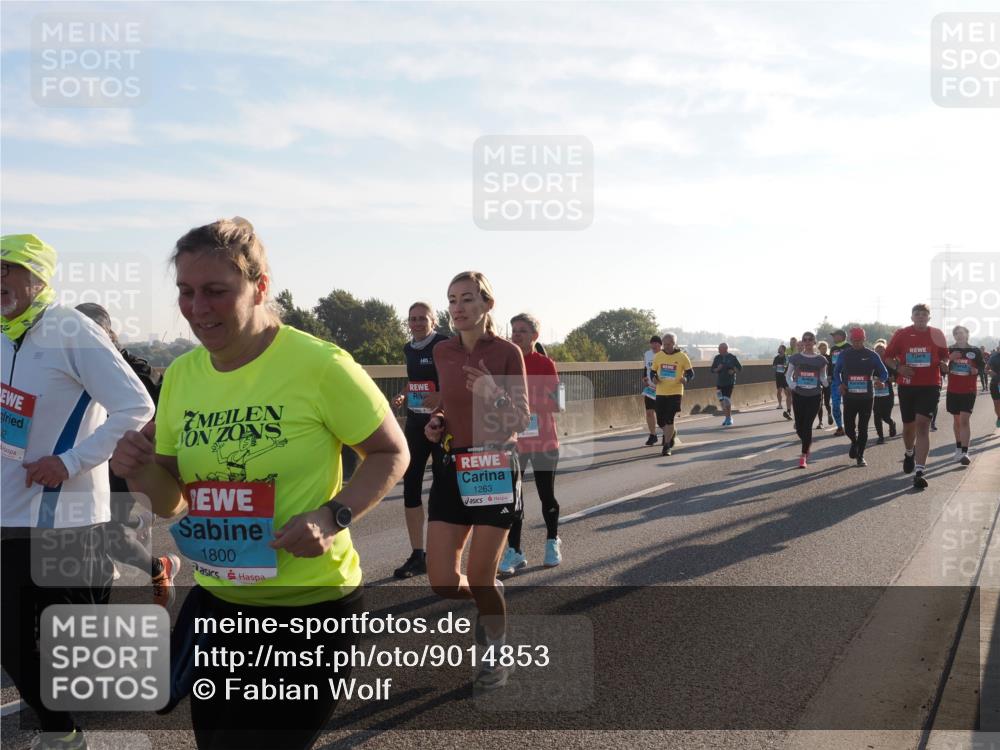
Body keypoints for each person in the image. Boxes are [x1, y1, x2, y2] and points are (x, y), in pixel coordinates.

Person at [110, 218, 408, 749]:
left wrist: (332, 515)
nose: (197, 308)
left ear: (260, 286)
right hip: (220, 604)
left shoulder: (319, 364)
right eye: (185, 291)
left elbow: (391, 451)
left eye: (216, 291)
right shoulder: (182, 375)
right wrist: (139, 468)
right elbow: (173, 498)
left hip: (310, 611)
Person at [2, 235, 155, 750]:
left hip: (63, 516)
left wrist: (68, 462)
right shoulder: (1, 335)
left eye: (8, 269)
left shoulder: (70, 327)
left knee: (70, 642)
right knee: (13, 636)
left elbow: (136, 406)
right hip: (6, 510)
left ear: (38, 279)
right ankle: (61, 733)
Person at [423, 271, 529, 690]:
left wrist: (493, 392)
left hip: (495, 467)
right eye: (452, 300)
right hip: (454, 467)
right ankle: (491, 595)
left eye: (467, 299)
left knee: (480, 575)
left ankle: (496, 652)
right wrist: (438, 421)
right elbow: (451, 406)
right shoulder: (444, 352)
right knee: (443, 582)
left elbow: (521, 418)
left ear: (487, 305)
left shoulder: (506, 353)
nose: (458, 308)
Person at [76, 302, 181, 605]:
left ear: (107, 335)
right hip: (81, 465)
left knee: (109, 538)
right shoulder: (73, 366)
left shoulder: (136, 371)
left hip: (121, 467)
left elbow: (168, 415)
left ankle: (159, 567)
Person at [390, 302, 450, 578]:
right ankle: (418, 554)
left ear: (433, 321)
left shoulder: (444, 344)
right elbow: (415, 380)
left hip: (441, 423)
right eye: (412, 318)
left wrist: (441, 397)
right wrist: (404, 394)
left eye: (422, 319)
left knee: (442, 484)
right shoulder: (408, 349)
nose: (416, 323)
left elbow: (456, 380)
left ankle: (445, 553)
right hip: (415, 422)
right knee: (410, 482)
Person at [499, 313, 562, 575]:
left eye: (522, 331)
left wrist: (527, 408)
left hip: (544, 440)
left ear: (534, 336)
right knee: (513, 498)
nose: (516, 335)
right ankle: (515, 551)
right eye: (513, 330)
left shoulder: (546, 364)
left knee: (546, 493)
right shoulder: (507, 364)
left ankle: (552, 541)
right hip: (515, 442)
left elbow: (559, 403)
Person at [883, 303, 949, 489]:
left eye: (924, 314)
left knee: (922, 426)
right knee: (909, 427)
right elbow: (888, 357)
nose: (920, 317)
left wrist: (945, 364)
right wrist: (899, 368)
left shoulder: (937, 334)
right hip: (908, 386)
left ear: (929, 317)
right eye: (917, 314)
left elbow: (945, 356)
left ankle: (920, 471)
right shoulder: (902, 334)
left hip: (930, 386)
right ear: (912, 317)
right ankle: (909, 452)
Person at [833, 328, 889, 467]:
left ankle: (861, 456)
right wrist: (840, 384)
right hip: (849, 396)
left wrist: (881, 381)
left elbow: (884, 372)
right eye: (854, 341)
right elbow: (836, 372)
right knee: (850, 427)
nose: (856, 343)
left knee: (863, 427)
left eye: (859, 341)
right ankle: (854, 441)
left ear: (864, 339)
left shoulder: (872, 355)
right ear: (851, 340)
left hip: (866, 397)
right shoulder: (844, 354)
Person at [785, 331, 829, 468]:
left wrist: (827, 384)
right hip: (799, 395)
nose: (808, 342)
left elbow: (823, 376)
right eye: (805, 339)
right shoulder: (795, 358)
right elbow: (788, 375)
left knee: (807, 425)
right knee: (799, 426)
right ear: (802, 342)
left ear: (814, 342)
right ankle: (807, 443)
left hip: (814, 396)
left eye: (811, 339)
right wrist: (793, 385)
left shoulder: (821, 360)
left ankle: (803, 456)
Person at [946, 325, 984, 465]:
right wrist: (949, 358)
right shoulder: (949, 350)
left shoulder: (974, 350)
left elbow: (981, 366)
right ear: (954, 336)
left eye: (961, 333)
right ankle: (958, 447)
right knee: (956, 421)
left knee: (964, 420)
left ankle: (965, 452)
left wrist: (976, 370)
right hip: (953, 390)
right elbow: (941, 367)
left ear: (967, 334)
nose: (959, 335)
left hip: (969, 390)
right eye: (956, 333)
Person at [650, 332, 694, 456]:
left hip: (675, 392)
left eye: (668, 344)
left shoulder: (682, 356)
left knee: (670, 418)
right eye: (664, 344)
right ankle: (671, 432)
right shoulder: (659, 356)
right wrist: (654, 378)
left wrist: (686, 379)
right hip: (661, 391)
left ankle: (667, 445)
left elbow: (691, 373)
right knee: (660, 420)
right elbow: (652, 372)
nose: (666, 347)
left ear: (674, 344)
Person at [872, 339, 898, 444]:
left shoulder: (889, 362)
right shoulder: (873, 364)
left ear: (885, 351)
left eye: (882, 350)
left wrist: (891, 379)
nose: (879, 352)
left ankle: (892, 424)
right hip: (876, 395)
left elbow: (895, 377)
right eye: (877, 350)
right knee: (877, 415)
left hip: (888, 393)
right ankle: (880, 436)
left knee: (886, 416)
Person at [710, 342, 742, 426]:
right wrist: (717, 369)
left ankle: (729, 418)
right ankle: (726, 417)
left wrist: (733, 371)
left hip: (729, 382)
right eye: (718, 348)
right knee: (721, 400)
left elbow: (740, 368)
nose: (718, 350)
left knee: (726, 399)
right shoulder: (717, 358)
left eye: (720, 349)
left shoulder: (732, 357)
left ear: (725, 349)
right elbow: (712, 369)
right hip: (720, 382)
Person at [642, 336, 662, 445]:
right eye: (652, 343)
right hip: (650, 387)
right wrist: (644, 378)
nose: (654, 346)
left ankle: (666, 434)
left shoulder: (664, 355)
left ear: (660, 345)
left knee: (661, 414)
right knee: (649, 412)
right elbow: (645, 368)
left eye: (656, 344)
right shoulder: (647, 354)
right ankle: (653, 435)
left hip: (662, 388)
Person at [828, 330, 850, 436]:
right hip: (835, 381)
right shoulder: (832, 349)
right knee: (835, 405)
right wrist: (830, 375)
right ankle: (840, 427)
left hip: (848, 381)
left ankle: (849, 425)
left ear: (841, 336)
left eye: (834, 336)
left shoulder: (849, 347)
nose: (833, 338)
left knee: (849, 405)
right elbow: (831, 364)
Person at [817, 341, 833, 430]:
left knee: (827, 402)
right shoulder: (816, 358)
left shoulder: (829, 358)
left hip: (827, 383)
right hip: (818, 383)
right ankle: (820, 422)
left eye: (825, 348)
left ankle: (829, 414)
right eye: (822, 348)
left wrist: (830, 377)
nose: (824, 349)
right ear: (819, 349)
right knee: (819, 403)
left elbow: (832, 369)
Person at [773, 344, 790, 415]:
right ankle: (780, 404)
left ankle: (788, 405)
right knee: (779, 390)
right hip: (778, 376)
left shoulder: (787, 357)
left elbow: (786, 365)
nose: (778, 349)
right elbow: (774, 366)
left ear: (783, 350)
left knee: (787, 391)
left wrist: (781, 366)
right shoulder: (776, 358)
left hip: (785, 376)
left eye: (780, 348)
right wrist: (777, 367)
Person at [989, 345, 1000, 428]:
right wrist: (990, 372)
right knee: (997, 404)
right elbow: (986, 369)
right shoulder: (993, 357)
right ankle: (999, 417)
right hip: (995, 384)